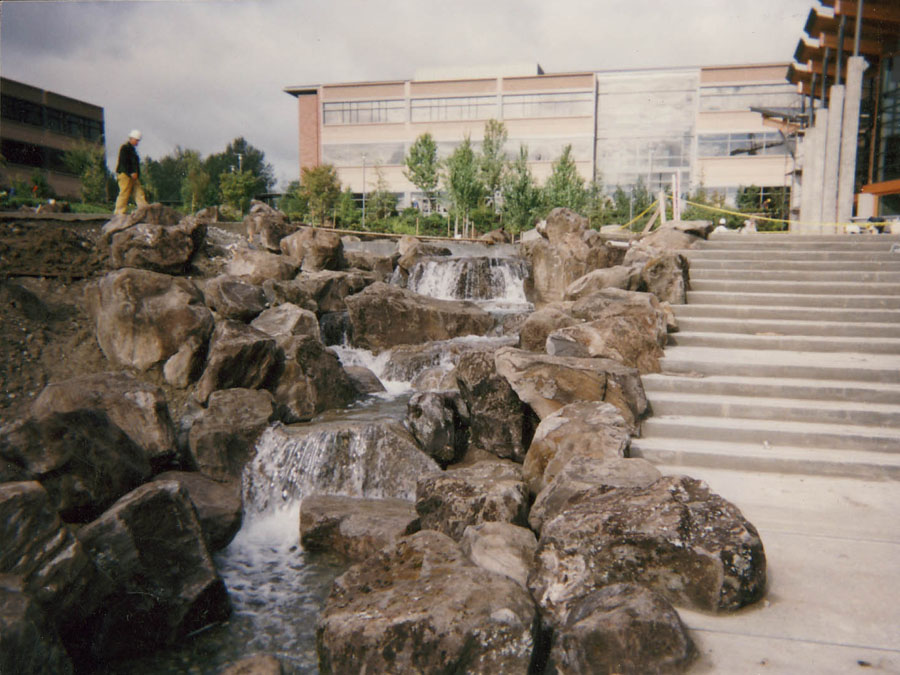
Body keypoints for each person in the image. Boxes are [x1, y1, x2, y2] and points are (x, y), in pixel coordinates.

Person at [114, 129, 149, 214]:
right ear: (131, 138)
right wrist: (131, 172)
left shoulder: (132, 150)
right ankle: (119, 213)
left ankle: (144, 210)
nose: (137, 142)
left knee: (139, 192)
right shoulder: (125, 148)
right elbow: (124, 162)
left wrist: (135, 173)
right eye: (136, 140)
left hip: (133, 175)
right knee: (124, 193)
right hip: (125, 174)